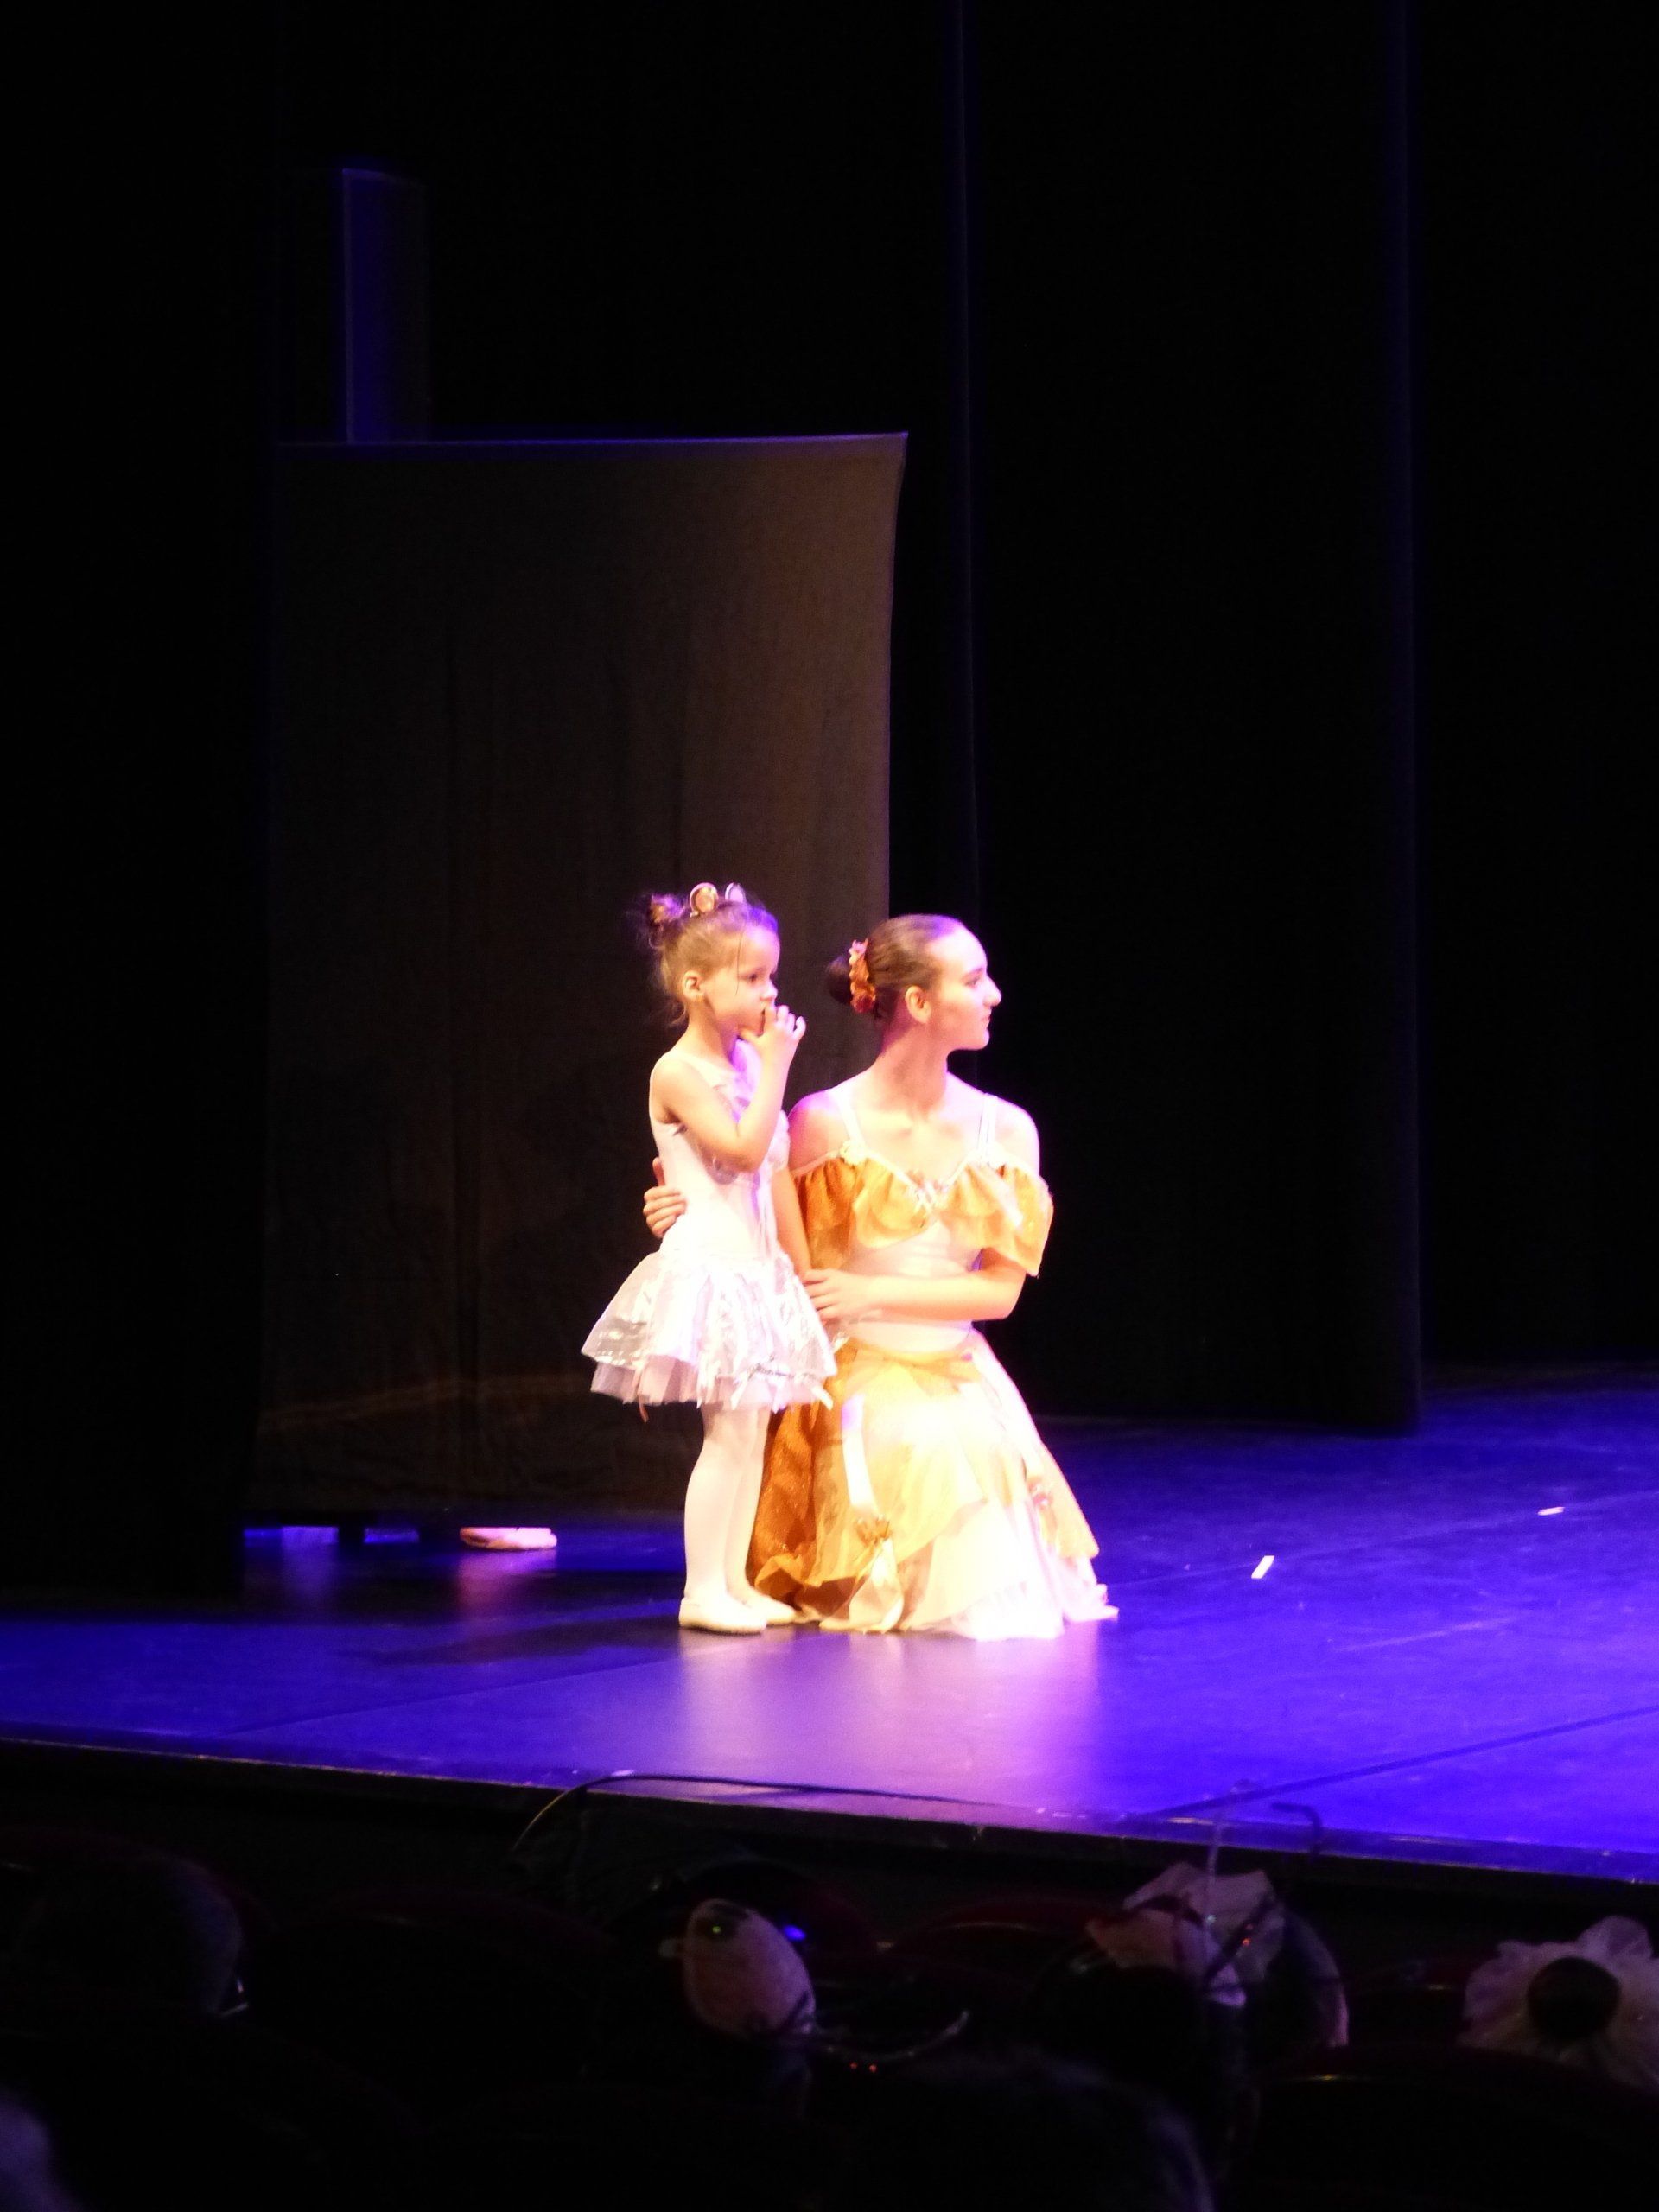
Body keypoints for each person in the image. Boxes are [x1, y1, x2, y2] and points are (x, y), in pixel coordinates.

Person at [646, 914, 1111, 1637]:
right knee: (917, 1446)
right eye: (971, 979)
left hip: (953, 1358)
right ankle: (720, 1583)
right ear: (918, 1004)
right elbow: (760, 1214)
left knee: (975, 1450)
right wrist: (676, 1204)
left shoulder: (1008, 1130)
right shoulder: (823, 1122)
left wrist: (873, 1290)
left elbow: (999, 1292)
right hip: (849, 1362)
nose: (993, 994)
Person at [584, 882, 836, 1635]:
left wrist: (793, 1266)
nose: (769, 992)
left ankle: (734, 1580)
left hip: (754, 1265)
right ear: (697, 986)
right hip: (712, 1266)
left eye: (771, 976)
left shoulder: (749, 1067)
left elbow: (775, 1170)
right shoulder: (677, 1073)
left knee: (751, 1427)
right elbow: (742, 1151)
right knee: (726, 1434)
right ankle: (702, 1590)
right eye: (752, 978)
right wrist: (781, 1066)